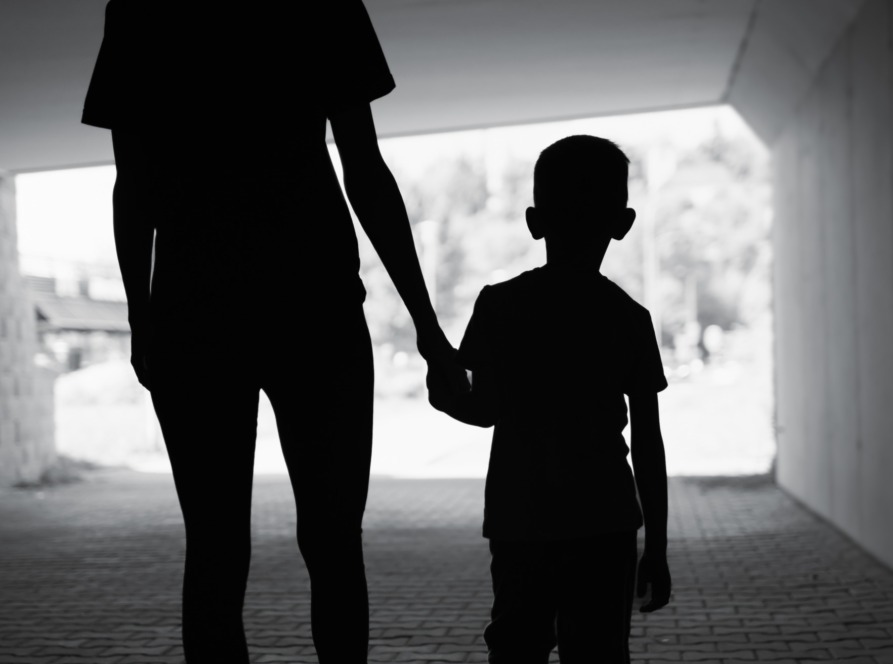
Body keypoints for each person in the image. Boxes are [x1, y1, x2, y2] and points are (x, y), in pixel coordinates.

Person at [82, 1, 464, 661]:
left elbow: (134, 183)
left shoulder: (143, 11)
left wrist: (143, 317)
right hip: (315, 303)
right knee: (334, 540)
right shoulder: (321, 4)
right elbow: (364, 169)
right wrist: (425, 328)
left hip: (195, 309)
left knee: (214, 545)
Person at [427, 135, 672, 663]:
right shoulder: (629, 318)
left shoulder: (500, 307)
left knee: (516, 646)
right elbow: (648, 444)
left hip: (522, 518)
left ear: (534, 221)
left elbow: (485, 410)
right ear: (623, 223)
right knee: (600, 652)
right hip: (604, 519)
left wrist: (446, 398)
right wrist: (658, 545)